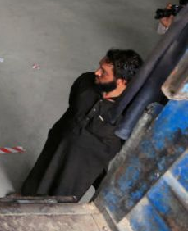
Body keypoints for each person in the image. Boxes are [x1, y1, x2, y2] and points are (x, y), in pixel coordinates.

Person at [23, 49, 143, 200]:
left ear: (121, 82)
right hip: (60, 140)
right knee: (40, 173)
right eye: (99, 66)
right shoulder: (85, 82)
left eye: (104, 72)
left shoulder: (129, 113)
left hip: (82, 165)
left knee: (63, 195)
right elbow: (73, 103)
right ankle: (26, 198)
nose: (96, 73)